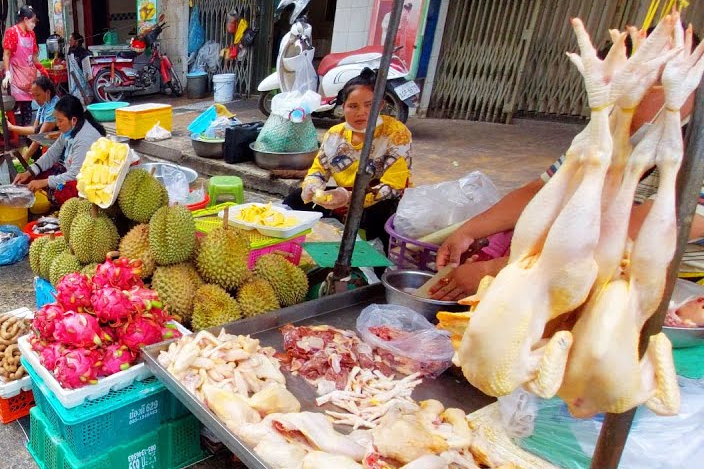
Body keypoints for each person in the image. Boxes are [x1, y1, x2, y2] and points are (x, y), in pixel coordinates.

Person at [430, 83, 702, 301]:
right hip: (573, 265)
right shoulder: (612, 129)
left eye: (629, 90)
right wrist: (467, 232)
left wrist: (496, 270)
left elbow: (624, 238)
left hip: (673, 291)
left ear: (678, 85)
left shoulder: (695, 152)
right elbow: (541, 191)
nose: (615, 103)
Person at [283, 69, 412, 242]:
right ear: (343, 107)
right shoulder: (335, 134)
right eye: (353, 106)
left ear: (380, 105)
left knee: (377, 216)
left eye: (369, 105)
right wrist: (313, 187)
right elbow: (318, 171)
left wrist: (352, 199)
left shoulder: (396, 133)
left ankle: (375, 266)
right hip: (342, 197)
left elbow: (395, 186)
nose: (361, 113)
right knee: (295, 199)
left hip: (379, 201)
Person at [14, 94, 104, 205]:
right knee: (31, 179)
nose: (57, 124)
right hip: (69, 171)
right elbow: (52, 154)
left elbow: (74, 175)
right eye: (57, 120)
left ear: (73, 120)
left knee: (62, 192)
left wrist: (45, 182)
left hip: (86, 181)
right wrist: (29, 172)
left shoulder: (84, 139)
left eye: (60, 121)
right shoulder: (69, 131)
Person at [7, 75, 59, 161]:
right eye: (33, 96)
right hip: (44, 141)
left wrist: (25, 158)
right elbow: (34, 130)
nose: (35, 99)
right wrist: (12, 128)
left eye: (38, 95)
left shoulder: (54, 108)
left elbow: (39, 136)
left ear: (48, 92)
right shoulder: (44, 104)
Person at [2, 6, 39, 124]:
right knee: (13, 105)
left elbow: (34, 56)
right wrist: (7, 73)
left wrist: (41, 70)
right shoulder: (12, 32)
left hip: (28, 76)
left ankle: (26, 135)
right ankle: (11, 134)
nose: (34, 24)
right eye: (32, 21)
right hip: (15, 76)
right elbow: (6, 54)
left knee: (27, 106)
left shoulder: (31, 34)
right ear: (25, 19)